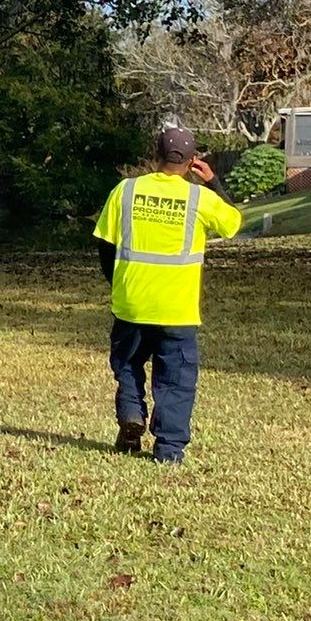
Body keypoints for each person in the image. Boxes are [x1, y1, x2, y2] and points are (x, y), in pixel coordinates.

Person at [92, 124, 243, 463]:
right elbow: (233, 222)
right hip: (177, 308)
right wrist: (213, 181)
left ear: (155, 156)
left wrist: (117, 283)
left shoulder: (125, 191)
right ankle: (169, 450)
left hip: (132, 301)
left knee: (128, 363)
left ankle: (131, 413)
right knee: (176, 380)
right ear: (192, 162)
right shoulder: (199, 197)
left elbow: (104, 243)